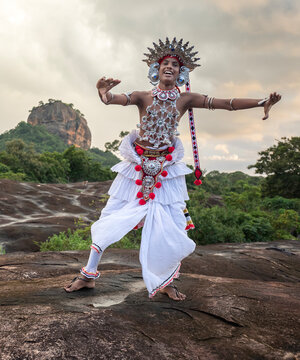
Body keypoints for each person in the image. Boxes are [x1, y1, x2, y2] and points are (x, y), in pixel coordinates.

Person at [64, 38, 281, 300]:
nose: (170, 67)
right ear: (156, 69)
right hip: (136, 168)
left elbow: (227, 103)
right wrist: (103, 93)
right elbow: (115, 99)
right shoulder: (143, 96)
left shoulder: (186, 98)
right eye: (165, 63)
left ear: (182, 72)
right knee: (109, 217)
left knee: (174, 226)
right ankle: (88, 275)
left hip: (167, 172)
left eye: (175, 65)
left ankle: (167, 281)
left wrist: (261, 102)